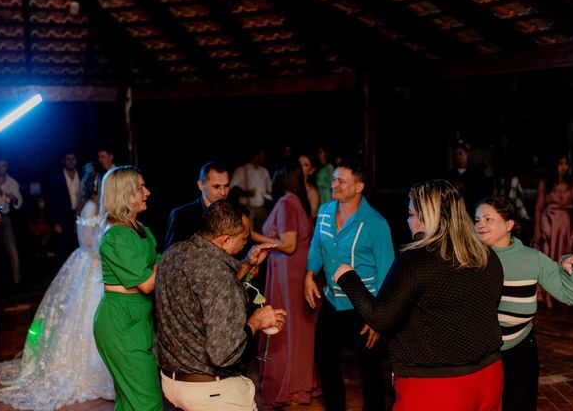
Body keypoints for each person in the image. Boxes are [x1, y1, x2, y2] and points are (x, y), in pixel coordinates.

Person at [333, 180, 504, 411]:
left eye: (411, 214)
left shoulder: (417, 260)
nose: (407, 220)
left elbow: (380, 318)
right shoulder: (485, 254)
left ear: (428, 218)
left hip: (439, 387)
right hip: (489, 376)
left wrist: (347, 277)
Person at [0, 162, 114, 411]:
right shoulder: (91, 207)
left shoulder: (99, 206)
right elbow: (86, 242)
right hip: (90, 265)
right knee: (83, 316)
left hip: (96, 266)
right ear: (94, 185)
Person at [154, 200, 286, 411]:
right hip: (208, 391)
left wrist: (246, 265)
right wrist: (257, 321)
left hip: (171, 382)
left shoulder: (174, 253)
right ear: (224, 240)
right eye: (243, 239)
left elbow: (202, 293)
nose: (245, 244)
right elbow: (224, 354)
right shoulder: (219, 277)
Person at [475, 196, 573, 411]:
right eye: (477, 220)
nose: (480, 224)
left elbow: (572, 296)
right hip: (481, 353)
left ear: (509, 224)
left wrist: (568, 269)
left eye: (488, 219)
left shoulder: (532, 259)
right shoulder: (471, 259)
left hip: (520, 351)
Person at [304, 159, 394, 411]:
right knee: (325, 359)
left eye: (341, 181)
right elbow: (316, 245)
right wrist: (309, 275)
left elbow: (388, 272)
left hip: (364, 307)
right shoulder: (324, 212)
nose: (335, 184)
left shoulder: (376, 224)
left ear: (359, 186)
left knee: (370, 367)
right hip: (333, 300)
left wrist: (377, 317)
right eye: (334, 179)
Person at [250, 159, 320, 407]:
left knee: (286, 330)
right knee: (291, 331)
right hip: (287, 273)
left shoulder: (288, 202)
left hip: (289, 274)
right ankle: (297, 383)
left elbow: (289, 245)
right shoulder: (293, 201)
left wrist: (251, 234)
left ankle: (292, 387)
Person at [93, 166, 162, 411]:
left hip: (138, 319)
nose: (148, 192)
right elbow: (148, 282)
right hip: (120, 322)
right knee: (147, 401)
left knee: (131, 401)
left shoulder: (142, 231)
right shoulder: (117, 236)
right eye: (140, 188)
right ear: (124, 194)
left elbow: (156, 264)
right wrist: (166, 261)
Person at [533, 155, 573, 308]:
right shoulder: (545, 183)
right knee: (549, 257)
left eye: (566, 163)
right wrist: (537, 229)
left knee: (568, 258)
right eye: (561, 163)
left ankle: (568, 292)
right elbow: (538, 208)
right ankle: (548, 294)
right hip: (550, 224)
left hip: (569, 227)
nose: (564, 167)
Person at [162, 161, 229, 251]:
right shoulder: (182, 215)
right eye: (216, 187)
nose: (223, 192)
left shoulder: (234, 213)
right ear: (201, 185)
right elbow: (170, 254)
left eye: (226, 186)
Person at [0, 158, 23, 284]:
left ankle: (16, 280)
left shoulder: (12, 183)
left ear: (7, 167)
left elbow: (19, 202)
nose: (1, 168)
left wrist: (14, 198)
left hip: (3, 216)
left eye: (3, 166)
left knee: (12, 249)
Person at [49, 152, 80, 267]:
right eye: (68, 159)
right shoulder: (56, 178)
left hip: (80, 217)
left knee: (78, 248)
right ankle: (61, 280)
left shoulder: (82, 175)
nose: (71, 161)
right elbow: (51, 202)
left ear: (76, 160)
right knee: (62, 250)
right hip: (63, 219)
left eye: (73, 159)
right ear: (63, 161)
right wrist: (55, 222)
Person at [230, 148, 272, 232]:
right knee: (248, 233)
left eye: (262, 155)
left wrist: (268, 198)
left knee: (264, 231)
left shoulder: (264, 171)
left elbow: (268, 191)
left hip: (262, 208)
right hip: (247, 208)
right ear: (254, 156)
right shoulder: (241, 170)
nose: (261, 158)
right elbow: (231, 188)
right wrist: (244, 193)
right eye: (259, 155)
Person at [446, 140, 491, 214]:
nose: (458, 157)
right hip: (455, 212)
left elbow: (482, 195)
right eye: (455, 154)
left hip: (471, 212)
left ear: (467, 153)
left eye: (460, 153)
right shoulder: (450, 174)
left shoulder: (478, 174)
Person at [298, 152, 320, 219]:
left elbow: (312, 215)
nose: (300, 167)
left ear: (311, 170)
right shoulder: (288, 186)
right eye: (298, 164)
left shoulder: (312, 191)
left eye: (305, 165)